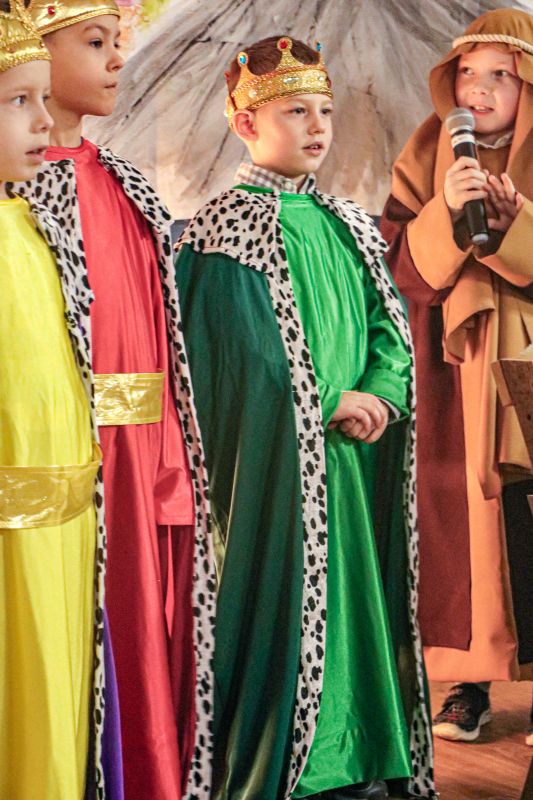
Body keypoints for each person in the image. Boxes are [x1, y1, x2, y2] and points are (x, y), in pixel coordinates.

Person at [174, 35, 435, 800]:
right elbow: (238, 358)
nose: (317, 125)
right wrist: (327, 401)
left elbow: (388, 328)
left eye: (322, 109)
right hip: (280, 465)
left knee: (356, 599)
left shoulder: (347, 223)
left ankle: (363, 754)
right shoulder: (222, 233)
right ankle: (298, 763)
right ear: (244, 123)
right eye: (294, 111)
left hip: (352, 462)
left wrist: (380, 394)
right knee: (286, 600)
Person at [16, 1, 215, 797]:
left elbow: (162, 340)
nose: (115, 60)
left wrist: (170, 459)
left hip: (142, 455)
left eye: (116, 42)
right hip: (70, 456)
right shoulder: (22, 196)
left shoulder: (126, 183)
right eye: (93, 42)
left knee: (143, 626)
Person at [381, 7, 533, 744]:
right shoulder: (426, 151)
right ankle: (465, 686)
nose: (479, 89)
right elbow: (394, 265)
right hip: (453, 377)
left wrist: (514, 227)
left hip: (525, 371)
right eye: (468, 73)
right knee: (456, 524)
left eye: (499, 75)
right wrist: (446, 212)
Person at [0, 2, 103, 795]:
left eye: (43, 98)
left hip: (62, 525)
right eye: (17, 100)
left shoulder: (30, 224)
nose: (44, 119)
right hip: (11, 532)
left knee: (58, 704)